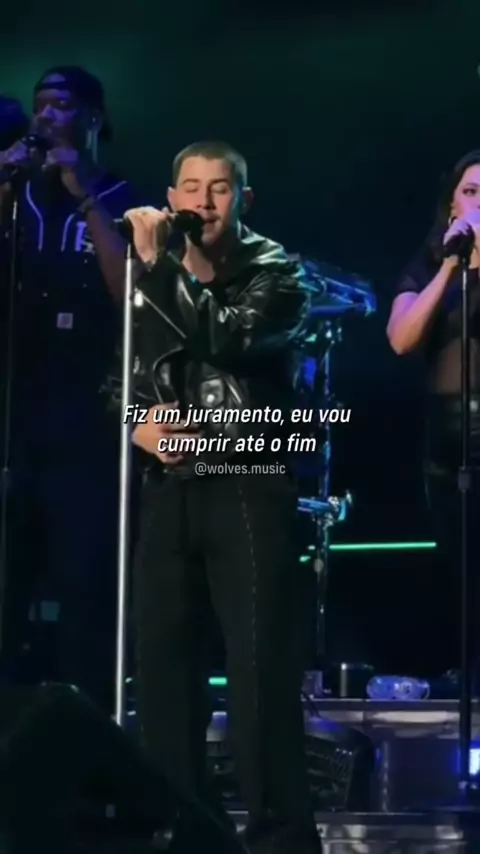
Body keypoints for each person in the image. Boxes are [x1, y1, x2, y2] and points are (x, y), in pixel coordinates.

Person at [122, 141, 321, 853]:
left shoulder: (277, 275)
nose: (202, 203)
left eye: (219, 189)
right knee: (165, 679)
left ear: (244, 200)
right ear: (170, 197)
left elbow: (226, 338)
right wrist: (137, 426)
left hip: (248, 484)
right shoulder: (146, 278)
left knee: (258, 679)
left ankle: (280, 839)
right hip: (169, 491)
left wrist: (161, 268)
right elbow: (118, 377)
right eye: (189, 188)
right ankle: (187, 835)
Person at [0, 66, 140, 713]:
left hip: (88, 419)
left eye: (60, 104)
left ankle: (92, 726)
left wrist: (82, 191)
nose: (46, 116)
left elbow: (129, 293)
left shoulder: (121, 195)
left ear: (92, 117)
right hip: (17, 413)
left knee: (85, 582)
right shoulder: (17, 193)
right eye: (40, 105)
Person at [387, 149, 480, 673]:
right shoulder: (428, 265)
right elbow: (401, 339)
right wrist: (449, 266)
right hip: (446, 439)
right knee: (463, 571)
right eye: (471, 192)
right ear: (451, 206)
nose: (479, 204)